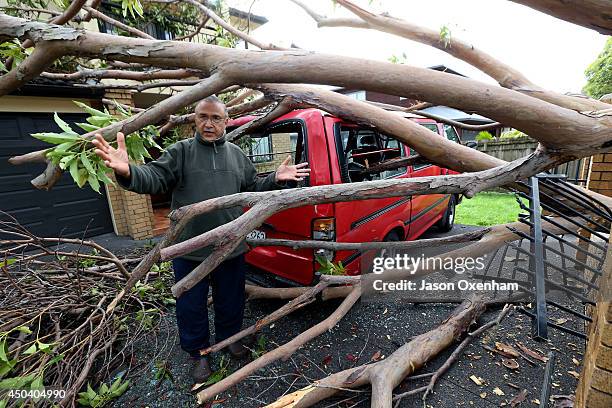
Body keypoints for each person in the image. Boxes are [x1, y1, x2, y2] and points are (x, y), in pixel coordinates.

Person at [92, 95, 310, 383]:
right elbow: (154, 178)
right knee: (190, 305)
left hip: (230, 247)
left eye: (215, 118)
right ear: (195, 119)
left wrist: (275, 179)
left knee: (230, 300)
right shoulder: (180, 152)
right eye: (202, 117)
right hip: (190, 249)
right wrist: (130, 171)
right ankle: (199, 353)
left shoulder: (236, 155)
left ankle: (230, 338)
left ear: (226, 121)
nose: (209, 123)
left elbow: (252, 187)